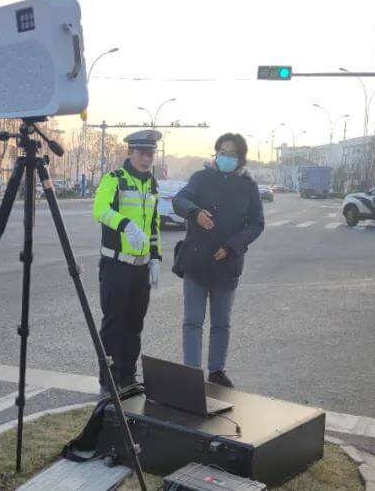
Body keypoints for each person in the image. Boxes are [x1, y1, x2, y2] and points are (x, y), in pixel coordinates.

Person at [172, 133, 264, 388]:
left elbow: (256, 223)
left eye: (231, 154)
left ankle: (216, 371)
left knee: (221, 323)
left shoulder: (248, 186)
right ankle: (191, 373)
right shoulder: (201, 178)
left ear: (240, 158)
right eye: (222, 152)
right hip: (196, 263)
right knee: (192, 321)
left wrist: (232, 247)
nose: (225, 158)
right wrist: (195, 213)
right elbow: (179, 200)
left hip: (227, 265)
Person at [92, 129, 163, 392]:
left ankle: (128, 376)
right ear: (130, 153)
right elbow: (100, 210)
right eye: (142, 153)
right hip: (116, 265)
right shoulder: (114, 179)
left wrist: (156, 258)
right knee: (114, 324)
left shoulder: (151, 184)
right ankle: (109, 380)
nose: (147, 159)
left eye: (150, 154)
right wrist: (125, 225)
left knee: (135, 324)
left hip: (140, 268)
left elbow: (154, 225)